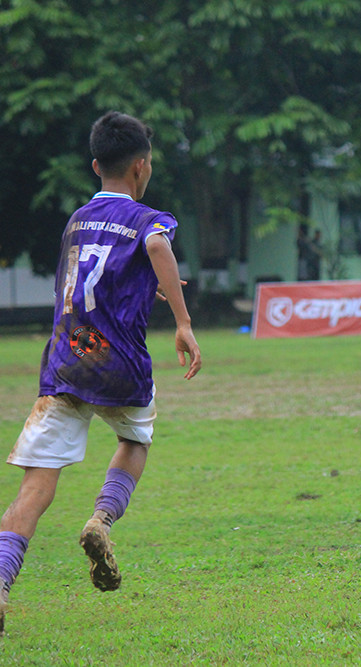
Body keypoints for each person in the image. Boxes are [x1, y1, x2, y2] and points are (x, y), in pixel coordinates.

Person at [0, 111, 202, 634]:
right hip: (119, 365)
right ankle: (101, 519)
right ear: (142, 167)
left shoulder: (75, 221)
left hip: (66, 360)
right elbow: (156, 246)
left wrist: (144, 286)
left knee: (34, 488)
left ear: (96, 166)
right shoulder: (145, 218)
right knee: (136, 440)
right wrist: (182, 321)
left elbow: (86, 278)